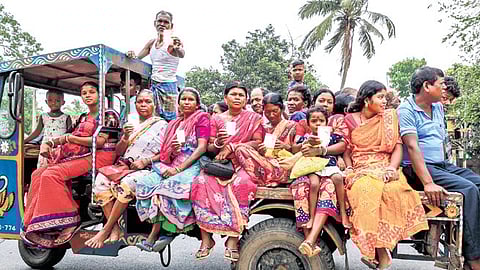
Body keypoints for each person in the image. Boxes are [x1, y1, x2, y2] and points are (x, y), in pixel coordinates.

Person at [398, 67, 480, 269]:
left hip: (441, 165)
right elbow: (412, 147)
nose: (444, 89)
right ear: (427, 86)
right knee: (468, 190)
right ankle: (474, 258)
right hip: (419, 169)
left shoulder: (438, 108)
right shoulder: (406, 110)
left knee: (478, 183)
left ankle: (475, 245)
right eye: (441, 84)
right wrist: (428, 183)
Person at [343, 80, 428, 269]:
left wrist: (391, 168)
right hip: (360, 167)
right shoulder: (349, 119)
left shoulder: (390, 117)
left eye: (385, 97)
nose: (384, 101)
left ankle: (380, 248)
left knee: (394, 191)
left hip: (385, 165)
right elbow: (347, 150)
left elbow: (397, 148)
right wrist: (349, 168)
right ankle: (377, 250)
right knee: (365, 190)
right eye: (380, 97)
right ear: (367, 100)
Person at [22, 81, 117, 248]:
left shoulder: (109, 115)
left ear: (99, 94)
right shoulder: (82, 117)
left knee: (52, 174)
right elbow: (69, 136)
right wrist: (52, 144)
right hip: (83, 154)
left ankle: (69, 219)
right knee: (38, 174)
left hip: (100, 156)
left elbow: (100, 142)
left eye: (91, 92)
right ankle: (37, 222)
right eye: (84, 92)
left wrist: (69, 138)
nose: (87, 95)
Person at [191, 81, 264, 262]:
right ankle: (206, 240)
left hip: (244, 163)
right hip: (221, 164)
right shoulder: (216, 119)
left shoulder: (254, 118)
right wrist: (217, 144)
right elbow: (210, 147)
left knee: (243, 184)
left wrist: (233, 146)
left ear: (246, 99)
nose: (237, 98)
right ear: (225, 98)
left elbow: (257, 142)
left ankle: (233, 240)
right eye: (233, 94)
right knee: (199, 183)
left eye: (241, 95)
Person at [85, 89, 167, 248]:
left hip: (148, 169)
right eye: (140, 102)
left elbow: (166, 154)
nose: (143, 105)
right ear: (135, 104)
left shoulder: (162, 125)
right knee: (100, 181)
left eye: (147, 102)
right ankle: (115, 228)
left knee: (126, 185)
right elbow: (119, 151)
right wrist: (125, 137)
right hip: (124, 166)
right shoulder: (131, 124)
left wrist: (146, 161)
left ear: (154, 105)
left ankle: (106, 229)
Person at [134, 88, 209, 252]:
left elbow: (202, 147)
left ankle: (163, 233)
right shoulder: (175, 123)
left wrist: (179, 168)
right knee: (145, 183)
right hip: (173, 162)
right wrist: (174, 151)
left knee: (166, 188)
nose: (187, 102)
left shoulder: (202, 118)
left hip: (193, 163)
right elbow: (167, 151)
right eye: (184, 99)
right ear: (179, 102)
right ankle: (157, 233)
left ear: (197, 104)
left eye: (191, 99)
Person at [293, 106, 350, 257]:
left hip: (329, 166)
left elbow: (343, 146)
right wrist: (308, 143)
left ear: (327, 122)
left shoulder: (331, 136)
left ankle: (343, 213)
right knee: (314, 184)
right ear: (308, 123)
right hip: (313, 168)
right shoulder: (307, 137)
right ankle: (311, 218)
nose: (317, 124)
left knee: (338, 178)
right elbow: (296, 148)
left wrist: (339, 157)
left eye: (321, 120)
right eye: (314, 121)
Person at [127, 10, 184, 121]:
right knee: (153, 118)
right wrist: (131, 55)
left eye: (166, 22)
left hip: (168, 86)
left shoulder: (173, 42)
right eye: (160, 21)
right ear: (155, 23)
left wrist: (178, 48)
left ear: (171, 26)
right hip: (154, 85)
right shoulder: (151, 43)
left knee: (170, 120)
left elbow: (181, 53)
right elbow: (137, 59)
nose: (162, 24)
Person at [234, 92, 296, 187]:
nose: (271, 115)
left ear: (282, 109)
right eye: (267, 112)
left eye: (275, 111)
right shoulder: (262, 127)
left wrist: (286, 146)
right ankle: (269, 177)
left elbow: (298, 150)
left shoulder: (292, 126)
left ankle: (273, 177)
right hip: (265, 163)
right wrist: (260, 151)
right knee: (241, 148)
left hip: (284, 165)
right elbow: (258, 147)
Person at [25, 90, 72, 168]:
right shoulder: (43, 116)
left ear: (63, 102)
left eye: (57, 100)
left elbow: (70, 134)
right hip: (45, 147)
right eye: (50, 100)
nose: (53, 103)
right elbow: (37, 132)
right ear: (46, 102)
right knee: (43, 167)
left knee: (58, 168)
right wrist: (25, 141)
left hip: (60, 147)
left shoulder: (66, 117)